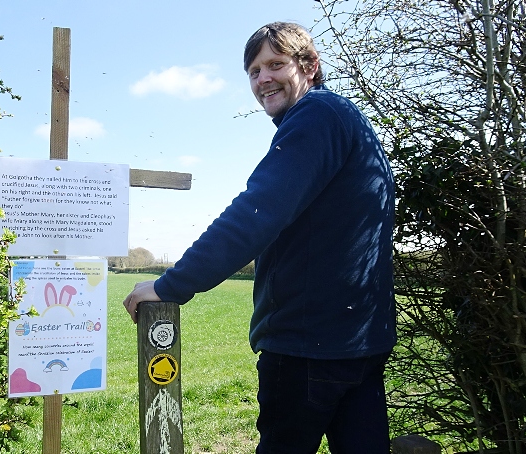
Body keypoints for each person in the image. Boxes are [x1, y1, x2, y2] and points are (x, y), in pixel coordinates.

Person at [123, 21, 396, 454]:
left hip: (309, 348)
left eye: (275, 64)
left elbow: (256, 214)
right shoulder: (346, 120)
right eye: (253, 71)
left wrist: (169, 285)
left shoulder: (317, 116)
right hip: (359, 340)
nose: (262, 78)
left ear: (309, 66)